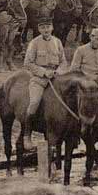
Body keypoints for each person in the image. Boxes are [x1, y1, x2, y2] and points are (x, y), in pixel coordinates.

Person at [23, 10, 69, 147]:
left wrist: (58, 72)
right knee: (34, 102)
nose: (46, 30)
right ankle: (27, 134)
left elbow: (63, 61)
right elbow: (28, 63)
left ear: (52, 28)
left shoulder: (57, 42)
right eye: (43, 27)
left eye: (48, 27)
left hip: (56, 79)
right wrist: (43, 72)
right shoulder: (34, 43)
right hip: (39, 79)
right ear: (39, 29)